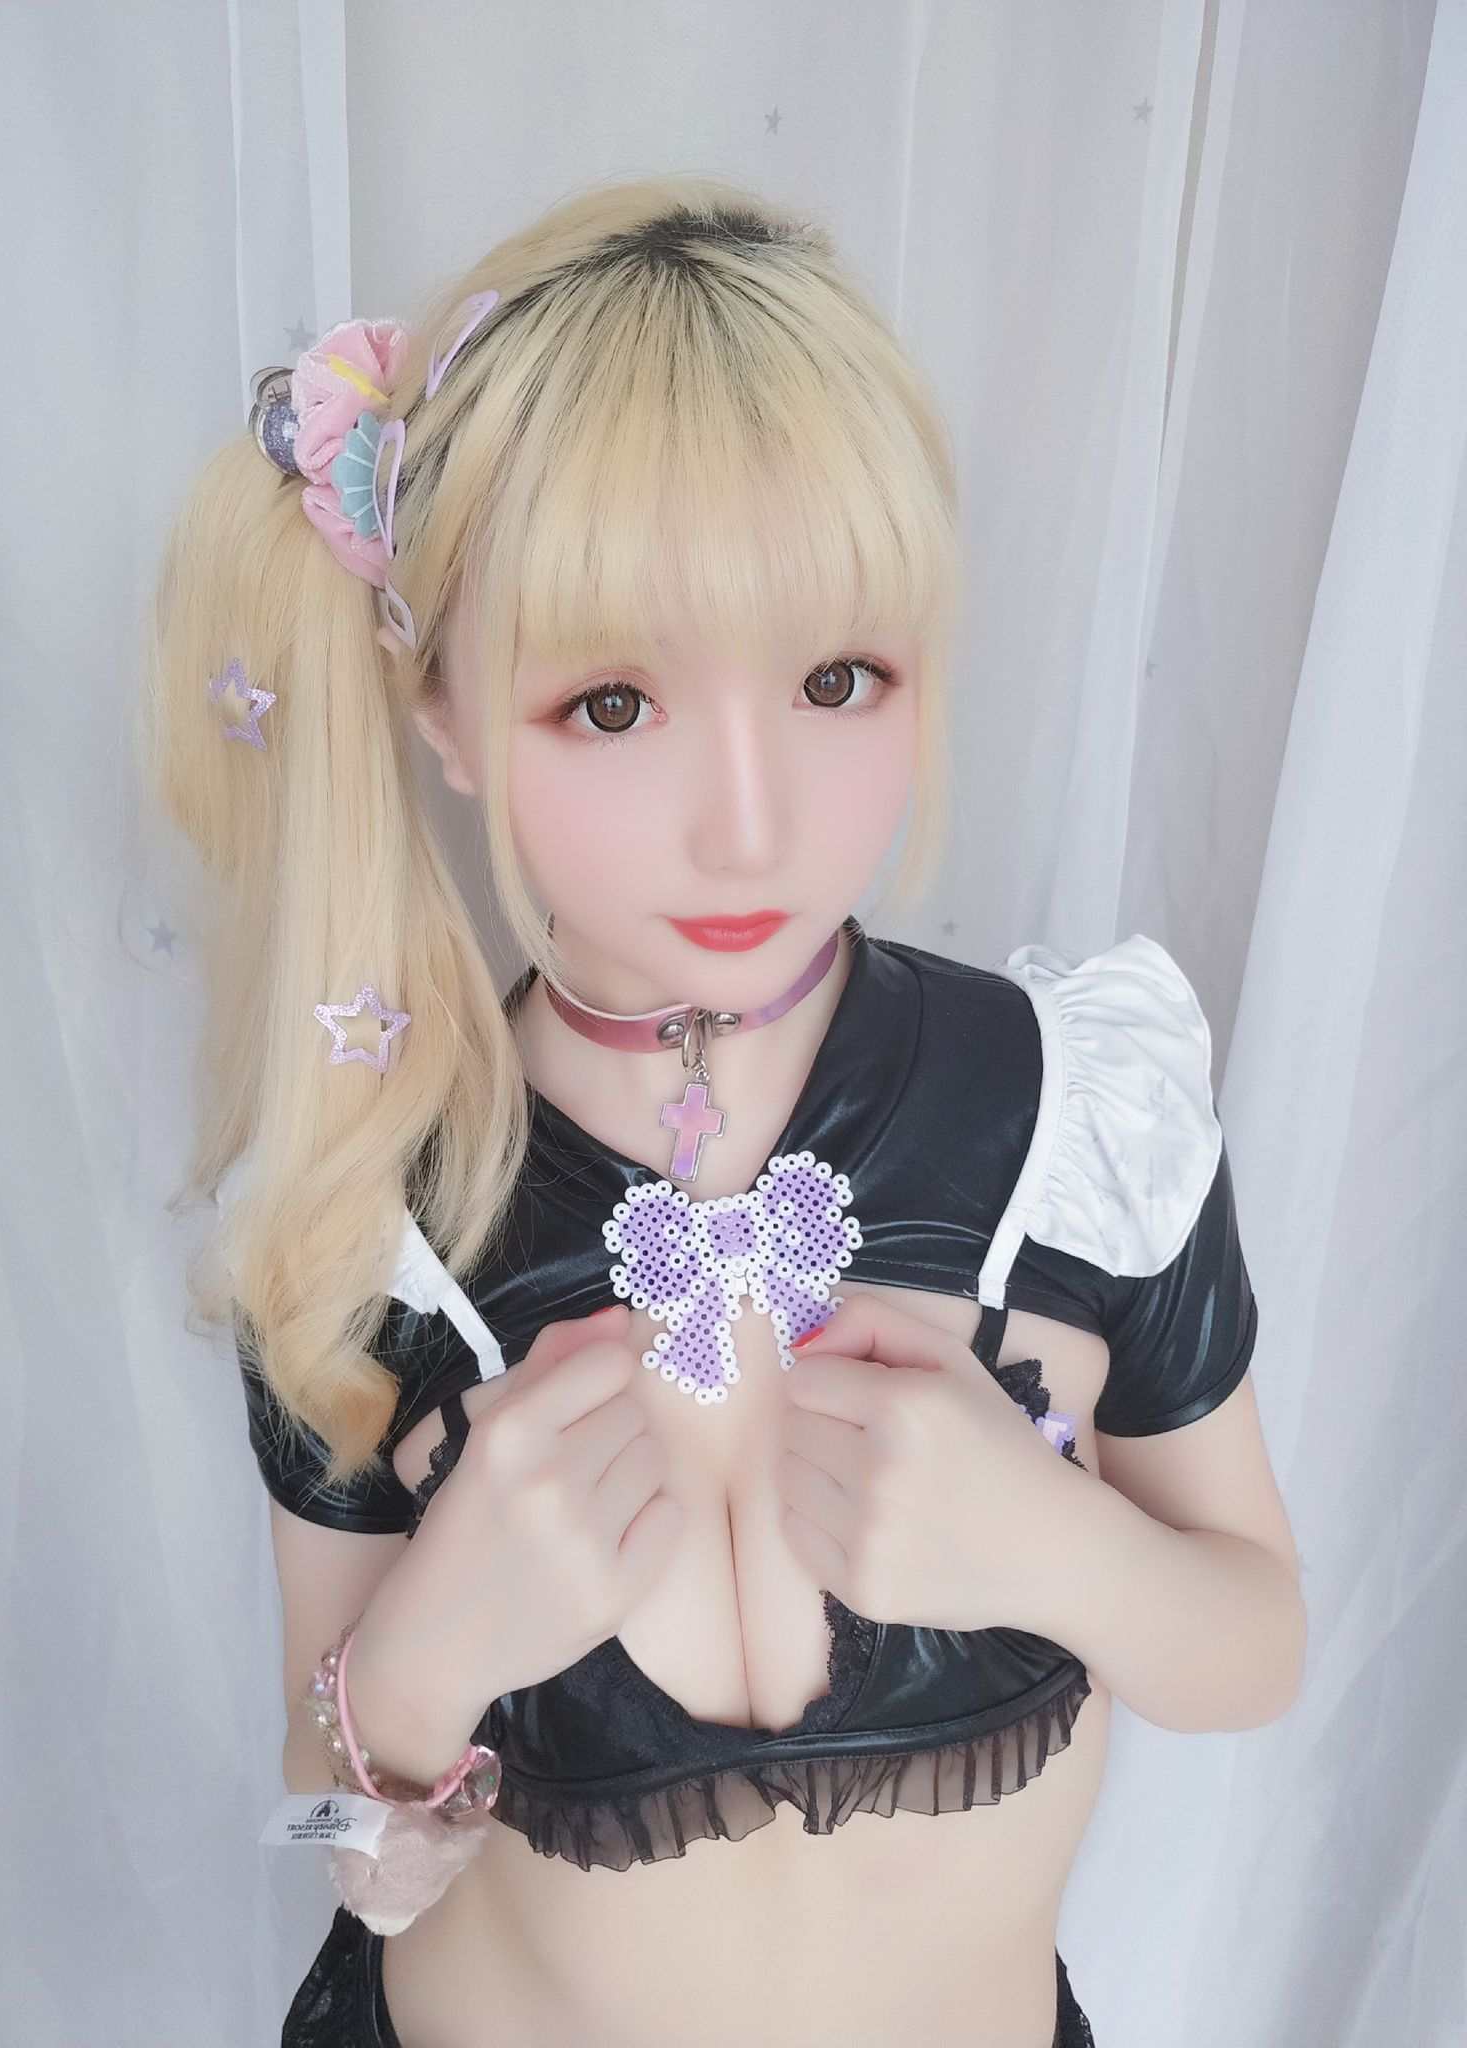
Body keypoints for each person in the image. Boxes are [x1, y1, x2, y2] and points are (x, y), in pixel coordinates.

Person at [145, 174, 1305, 2048]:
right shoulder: (366, 1214)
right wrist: (427, 1656)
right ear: (443, 713)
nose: (752, 823)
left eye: (839, 679)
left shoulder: (1075, 1116)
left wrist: (1055, 1550)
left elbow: (1261, 1648)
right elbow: (332, 1847)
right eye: (613, 705)